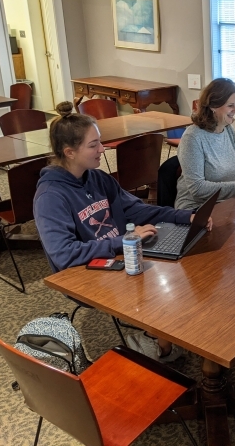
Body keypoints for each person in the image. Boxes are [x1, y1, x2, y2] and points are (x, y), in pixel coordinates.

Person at [34, 101, 212, 362]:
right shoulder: (50, 196)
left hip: (119, 252)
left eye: (100, 141)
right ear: (70, 152)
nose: (102, 149)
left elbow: (138, 210)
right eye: (93, 145)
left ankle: (163, 338)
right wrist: (124, 241)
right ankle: (159, 344)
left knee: (180, 263)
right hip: (83, 272)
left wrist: (186, 216)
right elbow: (64, 255)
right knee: (164, 277)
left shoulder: (97, 178)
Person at [174, 78, 235, 210]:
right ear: (213, 107)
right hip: (198, 207)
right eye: (230, 105)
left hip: (227, 201)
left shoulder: (228, 129)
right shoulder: (192, 137)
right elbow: (197, 188)